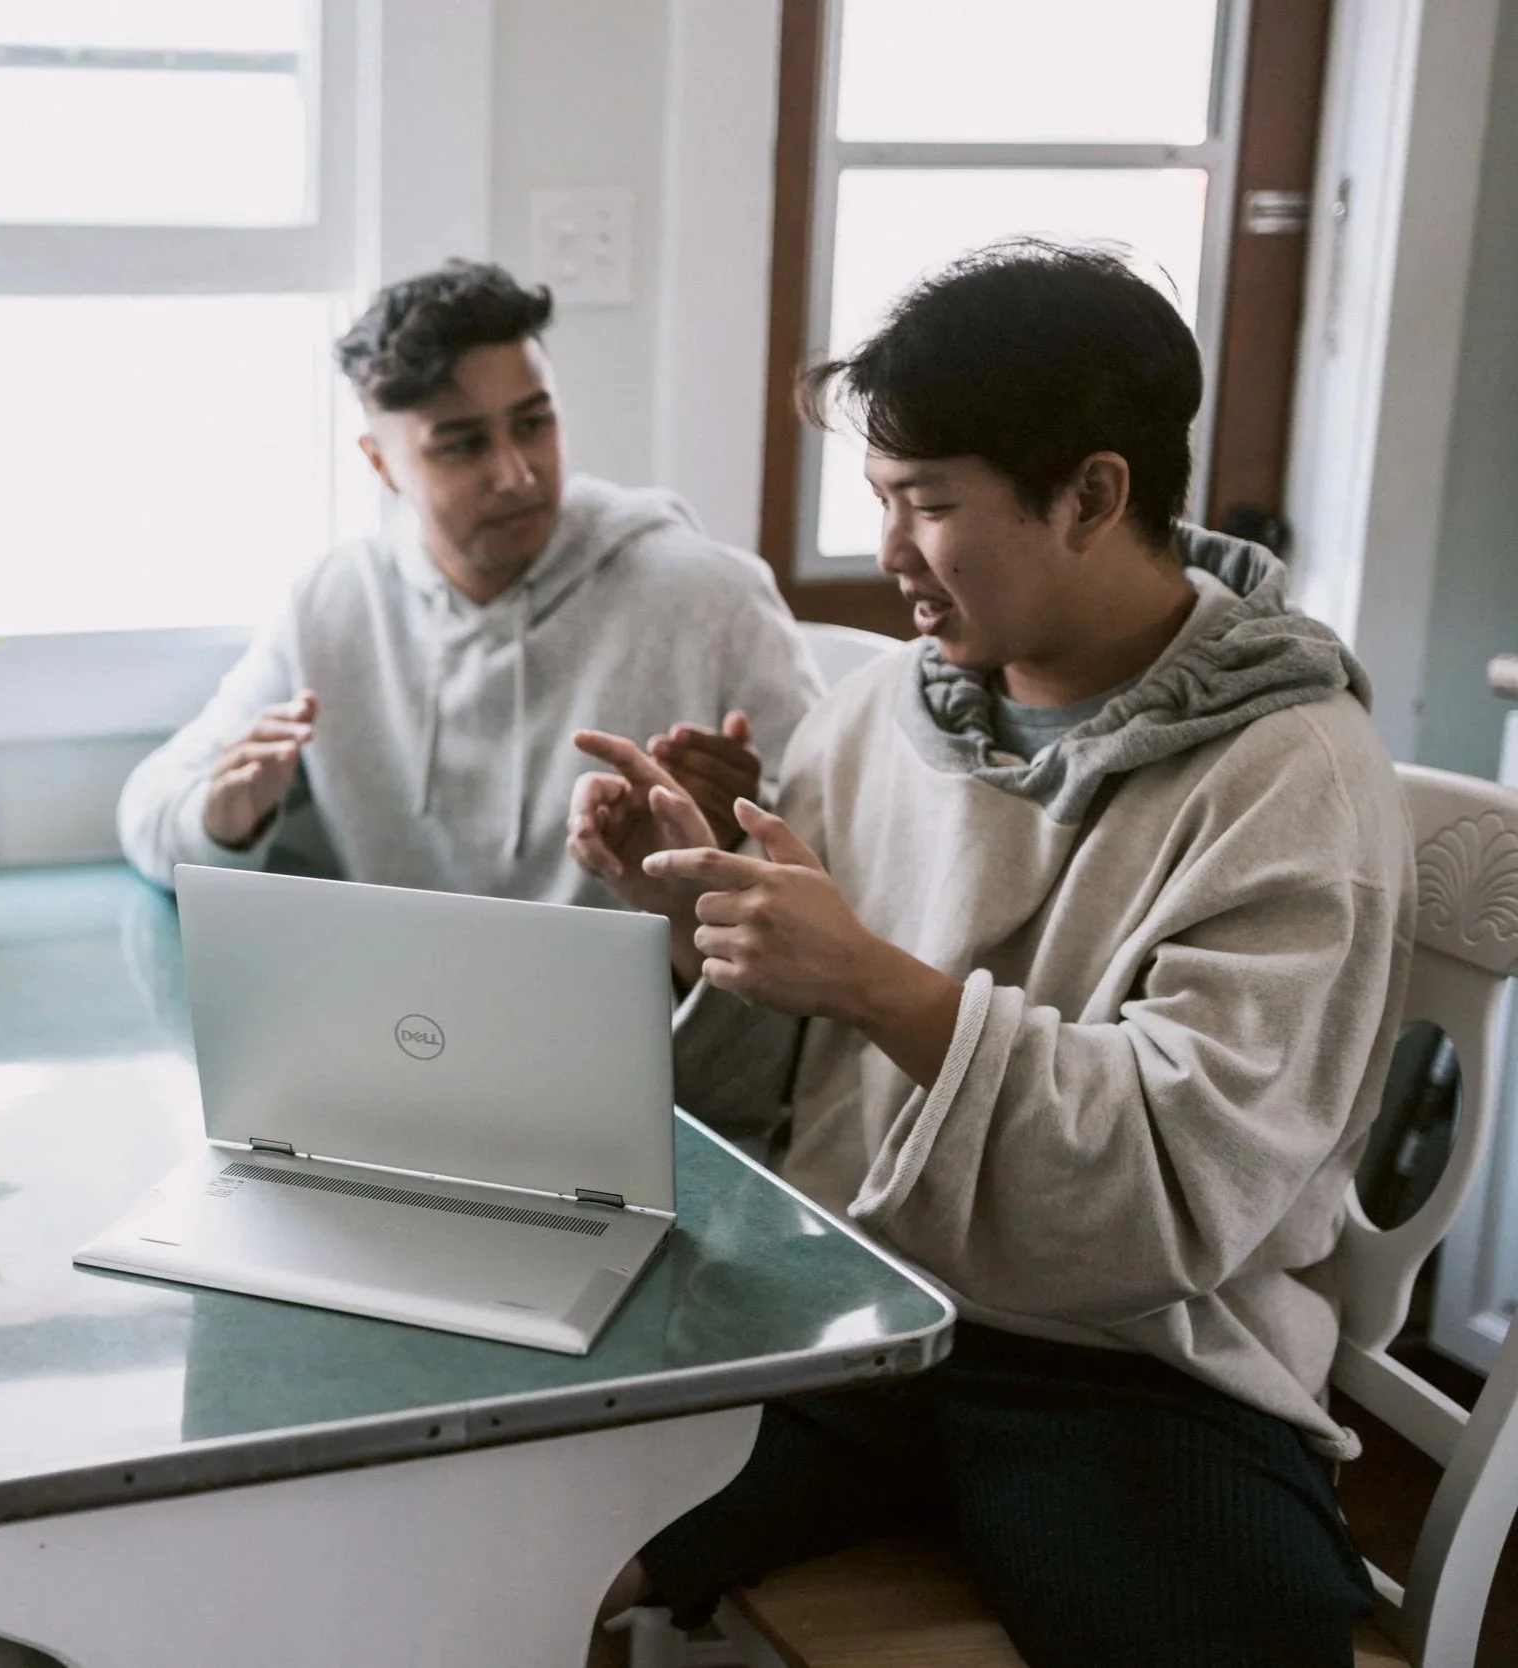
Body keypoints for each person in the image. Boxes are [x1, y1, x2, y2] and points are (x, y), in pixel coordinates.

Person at [569, 241, 1413, 1667]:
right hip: (848, 1305)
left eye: (928, 505)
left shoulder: (1293, 774)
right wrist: (701, 910)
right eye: (881, 503)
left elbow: (1173, 1189)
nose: (890, 553)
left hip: (1136, 1368)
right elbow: (772, 1109)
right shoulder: (882, 708)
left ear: (1093, 493)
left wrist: (871, 979)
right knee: (517, 1528)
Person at [119, 260, 820, 904]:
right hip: (400, 1020)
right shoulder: (333, 604)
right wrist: (224, 821)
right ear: (381, 464)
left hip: (644, 1023)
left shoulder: (709, 595)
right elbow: (149, 812)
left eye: (534, 423)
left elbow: (840, 844)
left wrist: (728, 839)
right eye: (463, 445)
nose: (517, 473)